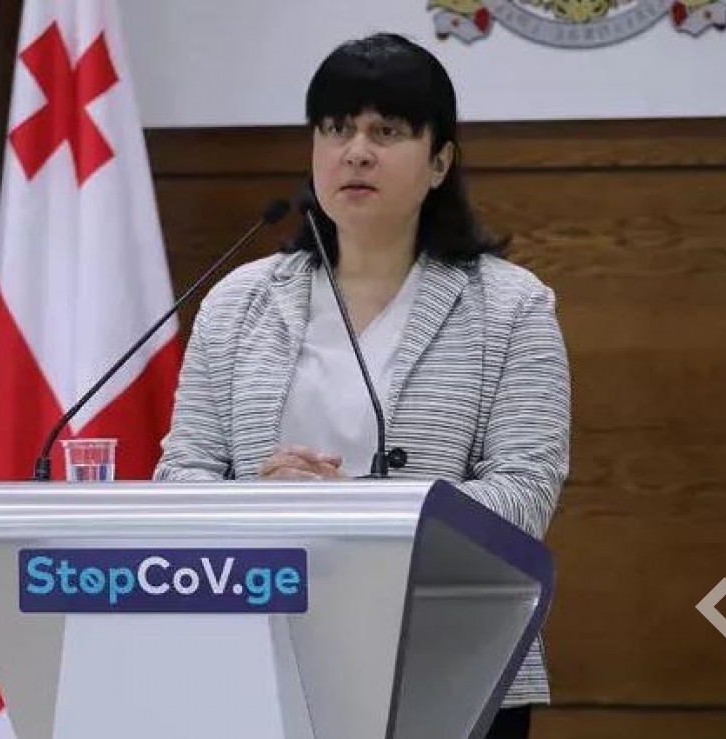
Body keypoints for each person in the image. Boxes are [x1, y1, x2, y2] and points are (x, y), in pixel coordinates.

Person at [154, 32, 570, 739]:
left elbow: (524, 495)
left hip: (452, 664)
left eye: (387, 132)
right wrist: (258, 501)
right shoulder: (237, 301)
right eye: (336, 128)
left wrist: (363, 510)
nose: (356, 151)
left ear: (440, 163)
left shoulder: (511, 306)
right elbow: (181, 474)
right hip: (265, 653)